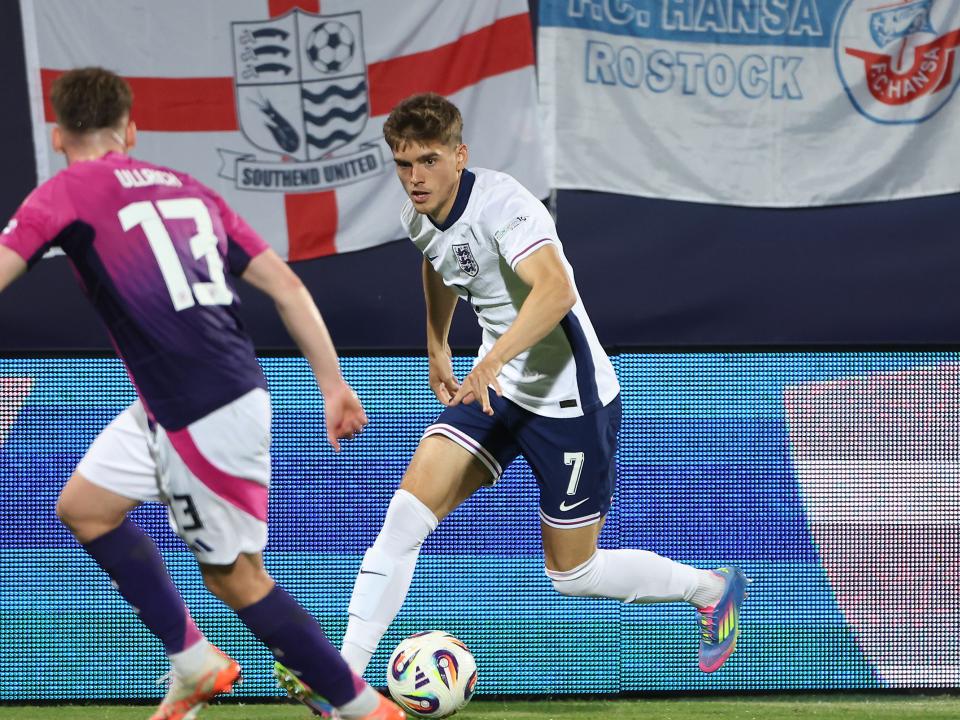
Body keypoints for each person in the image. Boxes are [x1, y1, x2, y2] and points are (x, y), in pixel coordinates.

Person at [281, 93, 750, 697]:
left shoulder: (506, 204)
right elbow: (438, 260)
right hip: (493, 388)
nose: (415, 177)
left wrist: (493, 359)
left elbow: (554, 292)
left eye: (427, 161)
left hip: (568, 399)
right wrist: (437, 342)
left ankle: (711, 589)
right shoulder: (416, 214)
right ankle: (342, 679)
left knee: (575, 574)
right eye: (402, 163)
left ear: (459, 155)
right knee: (404, 519)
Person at [0, 67, 404, 720]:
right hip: (182, 398)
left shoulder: (62, 192)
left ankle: (360, 707)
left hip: (203, 407)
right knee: (85, 507)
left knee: (237, 578)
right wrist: (331, 384)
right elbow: (288, 287)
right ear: (130, 131)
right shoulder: (187, 188)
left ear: (56, 134)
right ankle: (193, 661)